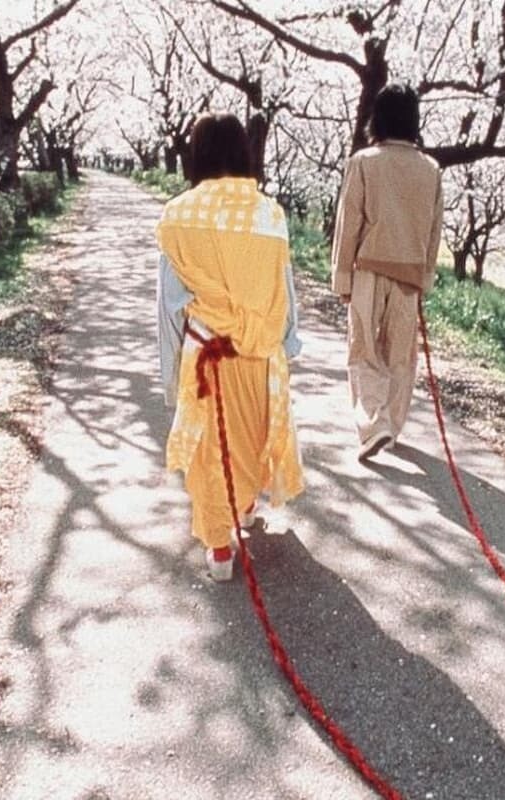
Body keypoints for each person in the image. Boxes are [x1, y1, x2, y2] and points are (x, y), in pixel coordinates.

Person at [156, 111, 304, 581]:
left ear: (195, 155)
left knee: (210, 452)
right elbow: (285, 289)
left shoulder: (178, 216)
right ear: (244, 153)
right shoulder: (271, 214)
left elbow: (169, 306)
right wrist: (289, 342)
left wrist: (167, 374)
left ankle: (220, 551)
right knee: (251, 439)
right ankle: (242, 511)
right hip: (260, 357)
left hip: (206, 359)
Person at [330, 83, 444, 460]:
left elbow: (350, 224)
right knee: (400, 356)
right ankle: (391, 426)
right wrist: (425, 277)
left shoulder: (364, 162)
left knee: (363, 349)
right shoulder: (431, 170)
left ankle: (373, 424)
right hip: (409, 275)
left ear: (376, 117)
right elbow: (433, 230)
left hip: (369, 269)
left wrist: (342, 277)